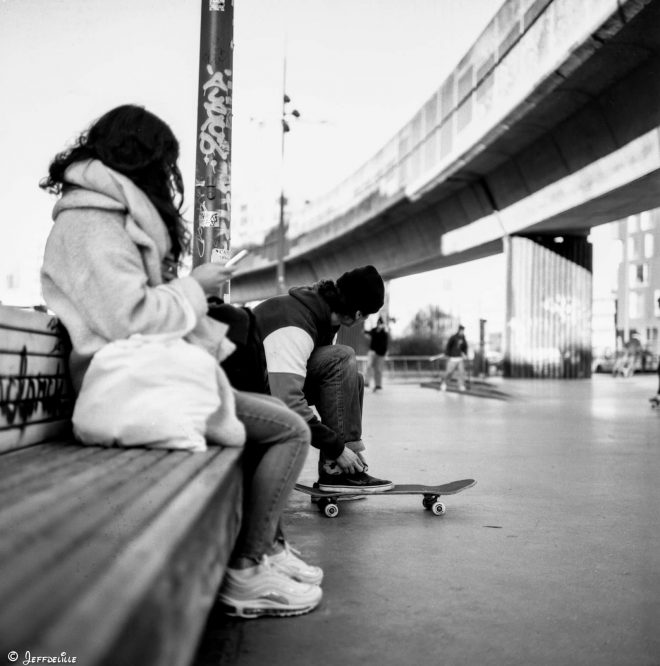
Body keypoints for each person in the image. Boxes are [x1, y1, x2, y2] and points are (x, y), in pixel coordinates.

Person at [39, 104, 322, 619]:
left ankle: (264, 552)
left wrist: (198, 298)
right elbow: (131, 317)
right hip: (126, 386)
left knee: (254, 382)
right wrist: (195, 287)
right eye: (166, 166)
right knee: (289, 432)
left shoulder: (104, 215)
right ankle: (248, 566)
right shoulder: (91, 224)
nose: (169, 179)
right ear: (144, 161)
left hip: (142, 378)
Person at [252, 266, 394, 493]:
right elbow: (287, 400)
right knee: (342, 357)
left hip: (267, 386)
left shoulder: (325, 319)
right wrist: (336, 448)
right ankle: (335, 469)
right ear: (358, 314)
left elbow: (333, 385)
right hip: (247, 397)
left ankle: (345, 466)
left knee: (353, 378)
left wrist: (348, 447)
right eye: (366, 316)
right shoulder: (295, 321)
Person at [440, 324, 468, 392]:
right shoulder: (453, 337)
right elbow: (448, 346)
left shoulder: (463, 338)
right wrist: (447, 354)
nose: (462, 332)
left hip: (460, 358)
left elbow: (465, 347)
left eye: (463, 331)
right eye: (461, 331)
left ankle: (461, 385)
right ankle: (444, 383)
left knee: (461, 372)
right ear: (459, 330)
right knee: (449, 372)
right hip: (453, 358)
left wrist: (465, 354)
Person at [365, 316, 389, 391]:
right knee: (369, 367)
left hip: (380, 354)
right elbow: (368, 333)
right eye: (378, 323)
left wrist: (382, 352)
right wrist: (365, 331)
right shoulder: (374, 330)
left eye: (380, 323)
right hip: (372, 351)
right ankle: (367, 382)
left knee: (378, 369)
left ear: (382, 324)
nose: (379, 325)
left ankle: (378, 384)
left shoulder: (384, 333)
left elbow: (384, 344)